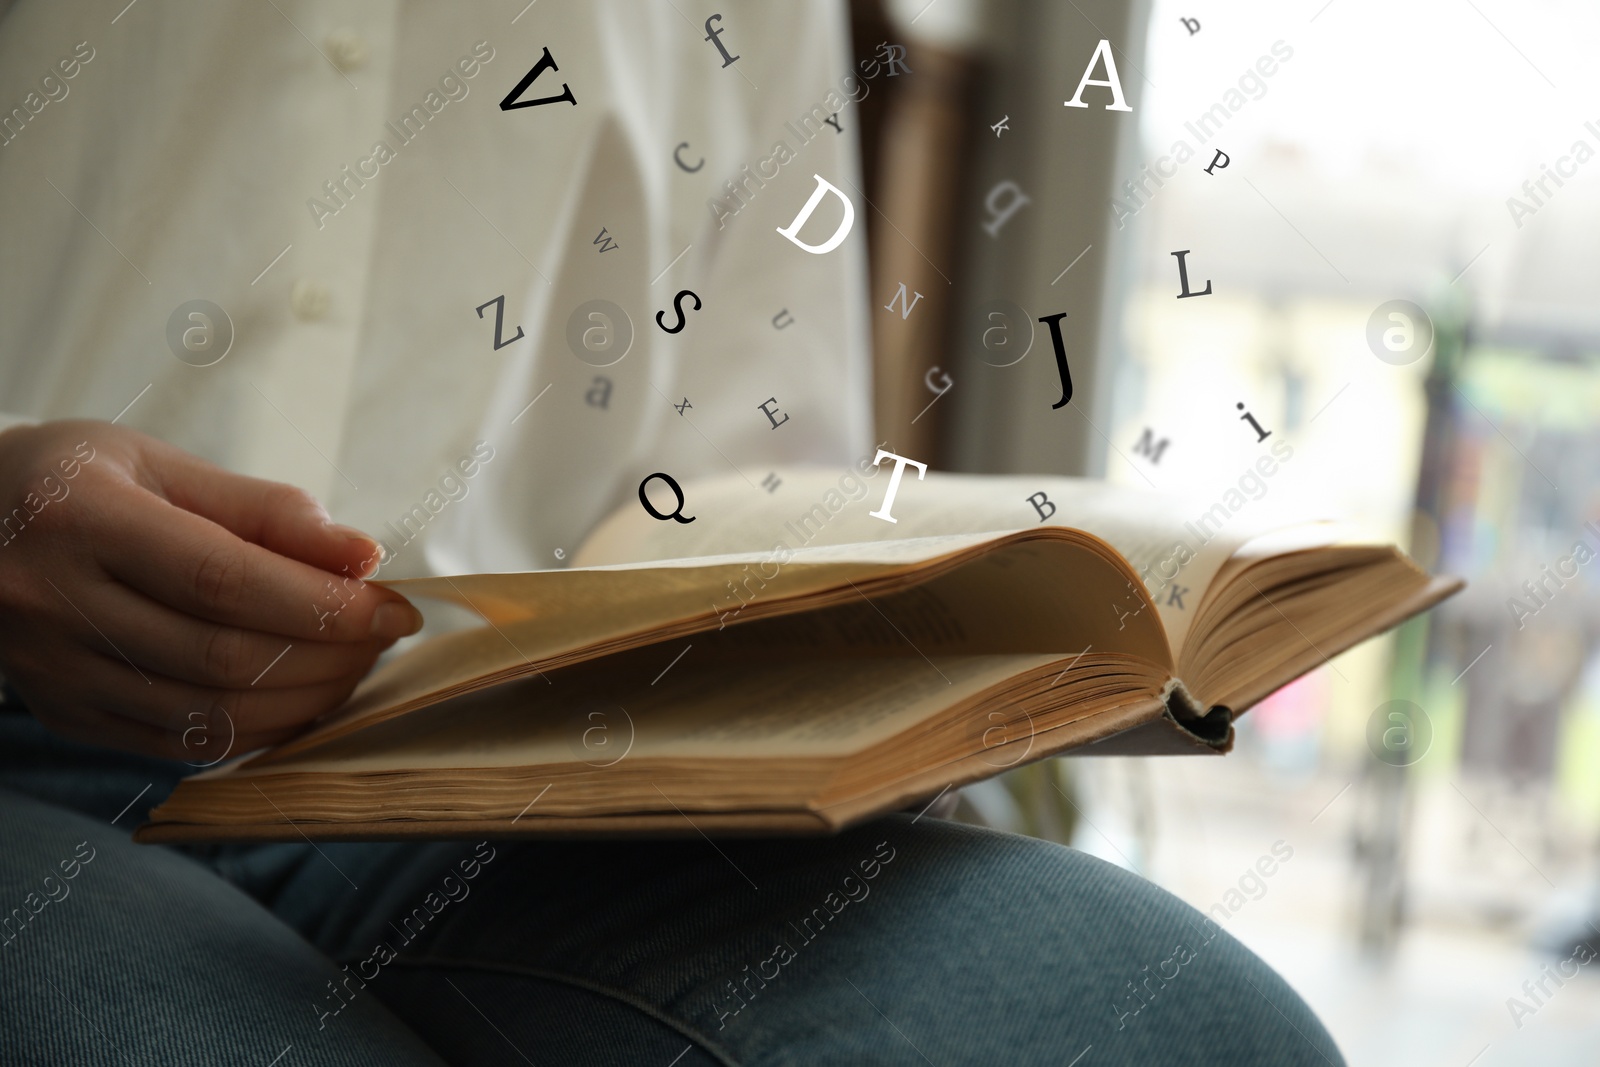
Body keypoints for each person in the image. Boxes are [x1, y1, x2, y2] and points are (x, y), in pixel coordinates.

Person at [0, 2, 1345, 1062]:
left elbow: (748, 467)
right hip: (30, 752)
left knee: (1195, 1034)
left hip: (500, 779)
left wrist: (868, 679)